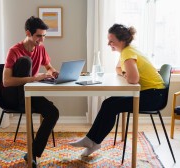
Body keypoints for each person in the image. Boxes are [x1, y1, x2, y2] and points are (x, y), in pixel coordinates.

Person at [69, 24, 165, 156]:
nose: (109, 44)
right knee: (108, 103)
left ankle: (93, 142)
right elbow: (118, 69)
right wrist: (126, 73)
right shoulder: (128, 50)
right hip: (153, 93)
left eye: (111, 41)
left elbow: (133, 79)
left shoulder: (128, 53)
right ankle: (91, 141)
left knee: (111, 107)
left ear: (122, 40)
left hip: (153, 97)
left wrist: (127, 74)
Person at [2, 16, 59, 166]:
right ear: (28, 33)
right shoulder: (14, 51)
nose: (41, 40)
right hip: (15, 95)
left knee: (53, 112)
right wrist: (33, 79)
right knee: (25, 61)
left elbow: (48, 67)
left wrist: (54, 72)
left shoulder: (40, 49)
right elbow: (6, 81)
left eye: (44, 36)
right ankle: (32, 153)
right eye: (38, 36)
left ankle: (32, 154)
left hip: (30, 92)